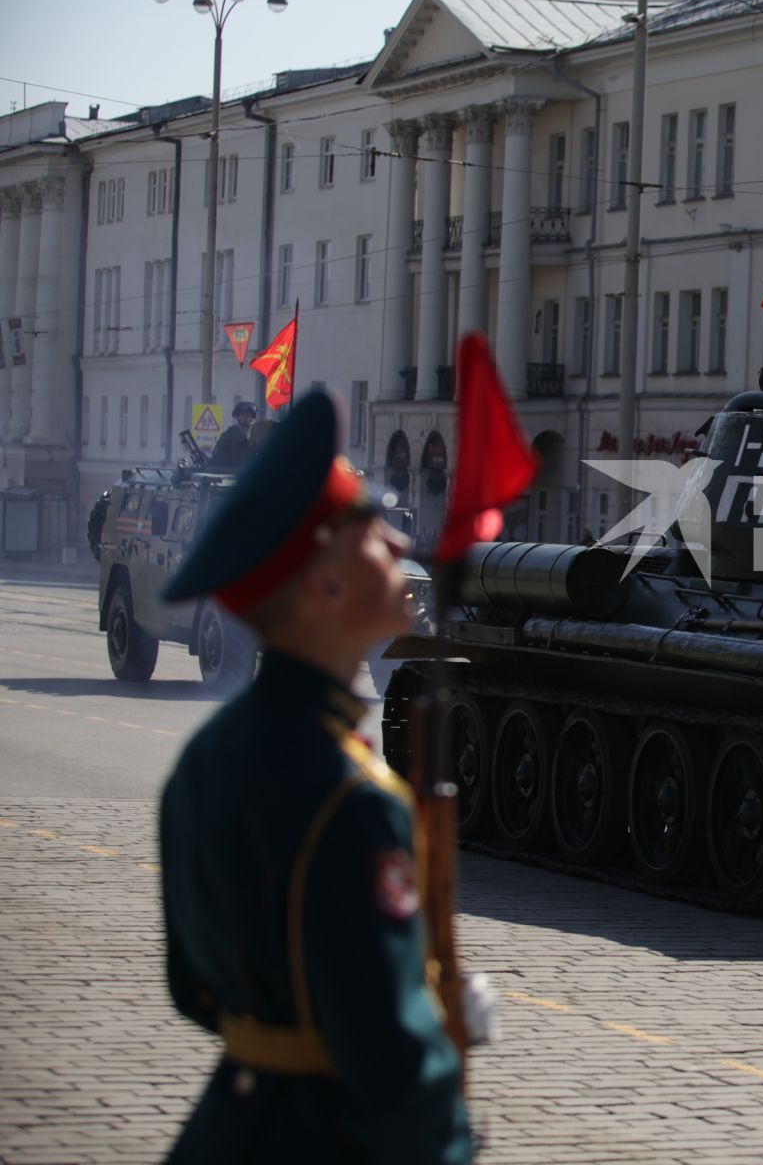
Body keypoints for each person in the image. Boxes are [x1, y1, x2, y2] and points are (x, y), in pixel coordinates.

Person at [158, 391, 473, 1163]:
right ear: (326, 584)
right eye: (374, 529)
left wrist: (279, 1033)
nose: (400, 542)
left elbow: (192, 989)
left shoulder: (208, 756)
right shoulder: (354, 799)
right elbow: (396, 1065)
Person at [208, 401, 259, 470]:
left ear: (252, 417)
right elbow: (218, 453)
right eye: (243, 415)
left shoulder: (257, 433)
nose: (246, 418)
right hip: (231, 472)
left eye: (248, 415)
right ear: (238, 417)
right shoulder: (230, 433)